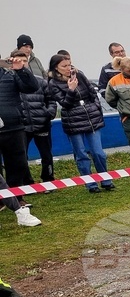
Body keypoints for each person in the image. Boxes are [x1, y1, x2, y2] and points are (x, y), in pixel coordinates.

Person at [46, 54, 114, 193]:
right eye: (64, 66)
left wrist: (95, 107)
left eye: (69, 64)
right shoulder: (53, 83)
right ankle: (91, 184)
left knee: (98, 152)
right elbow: (64, 103)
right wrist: (71, 90)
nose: (68, 68)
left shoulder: (79, 75)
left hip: (91, 117)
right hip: (73, 121)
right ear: (56, 68)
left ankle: (106, 180)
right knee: (81, 154)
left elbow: (92, 93)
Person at [0, 50, 40, 191]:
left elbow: (32, 87)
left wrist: (22, 70)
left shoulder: (11, 74)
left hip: (13, 127)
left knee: (18, 164)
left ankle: (17, 196)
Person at [20, 58, 55, 184]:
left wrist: (49, 113)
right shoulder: (12, 82)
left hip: (42, 124)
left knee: (46, 155)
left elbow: (51, 99)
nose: (22, 63)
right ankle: (27, 183)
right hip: (23, 127)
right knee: (22, 156)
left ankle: (48, 179)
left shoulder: (40, 81)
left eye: (24, 60)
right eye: (19, 61)